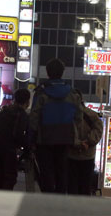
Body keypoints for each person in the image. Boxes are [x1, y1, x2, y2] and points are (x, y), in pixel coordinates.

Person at [29, 58, 83, 194]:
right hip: (66, 139)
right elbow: (79, 117)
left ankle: (48, 201)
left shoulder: (41, 93)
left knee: (46, 172)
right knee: (62, 173)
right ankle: (59, 203)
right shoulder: (72, 93)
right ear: (62, 72)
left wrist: (30, 139)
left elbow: (34, 118)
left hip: (44, 139)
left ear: (48, 73)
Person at [0, 88, 30, 190]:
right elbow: (20, 134)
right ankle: (4, 200)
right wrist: (26, 147)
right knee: (10, 177)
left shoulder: (4, 112)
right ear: (27, 101)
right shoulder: (22, 115)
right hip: (10, 149)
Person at [68, 97, 103, 195]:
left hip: (71, 155)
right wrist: (88, 142)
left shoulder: (68, 116)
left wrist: (77, 143)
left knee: (72, 186)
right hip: (88, 156)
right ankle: (84, 207)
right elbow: (98, 131)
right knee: (85, 186)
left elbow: (66, 133)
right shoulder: (92, 114)